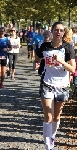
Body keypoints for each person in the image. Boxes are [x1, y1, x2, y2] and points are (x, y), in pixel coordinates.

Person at [33, 21, 75, 150]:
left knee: (56, 117)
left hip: (62, 85)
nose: (58, 32)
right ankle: (48, 146)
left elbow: (73, 69)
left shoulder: (68, 47)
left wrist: (61, 61)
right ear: (51, 31)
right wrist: (36, 64)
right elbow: (37, 60)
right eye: (56, 30)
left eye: (61, 30)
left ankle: (52, 136)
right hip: (47, 83)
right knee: (48, 116)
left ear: (64, 33)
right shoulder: (44, 46)